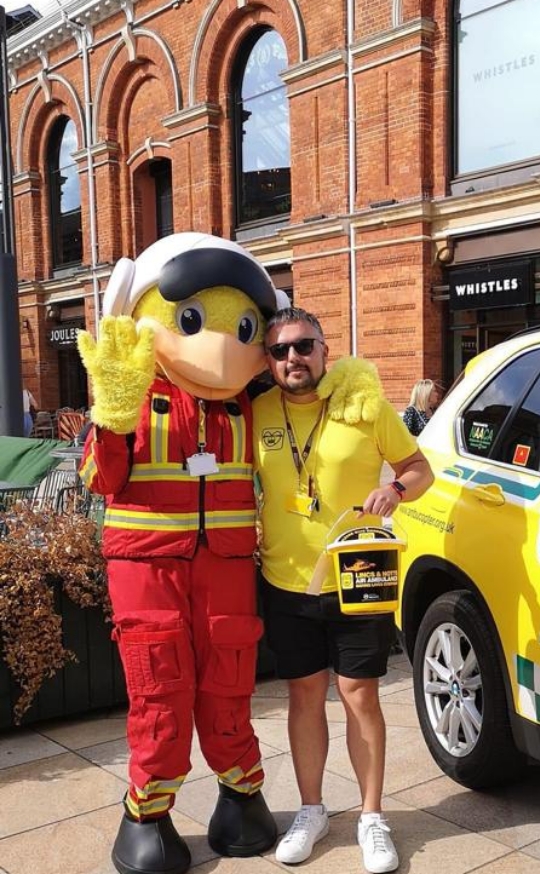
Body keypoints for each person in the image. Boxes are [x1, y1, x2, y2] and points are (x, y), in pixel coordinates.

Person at [78, 233, 282, 874]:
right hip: (147, 565)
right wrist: (111, 414)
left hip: (224, 566)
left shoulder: (253, 408)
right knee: (159, 691)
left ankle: (241, 796)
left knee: (229, 689)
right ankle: (147, 813)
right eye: (191, 320)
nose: (220, 345)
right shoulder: (131, 397)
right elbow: (97, 479)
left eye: (243, 326)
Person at [253, 307, 434, 873]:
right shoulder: (256, 411)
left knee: (360, 696)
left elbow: (420, 466)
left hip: (358, 578)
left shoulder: (365, 406)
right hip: (285, 581)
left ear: (325, 350)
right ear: (269, 361)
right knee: (305, 697)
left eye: (304, 346)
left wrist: (397, 491)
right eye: (280, 350)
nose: (293, 359)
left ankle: (373, 817)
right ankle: (312, 810)